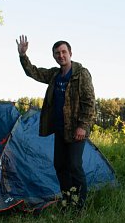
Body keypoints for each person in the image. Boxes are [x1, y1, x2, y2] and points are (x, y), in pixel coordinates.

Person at [16, 35, 96, 210]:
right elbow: (33, 72)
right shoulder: (54, 74)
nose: (61, 56)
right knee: (60, 166)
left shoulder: (81, 74)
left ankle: (80, 206)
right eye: (57, 53)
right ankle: (67, 201)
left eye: (63, 52)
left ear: (70, 53)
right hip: (60, 129)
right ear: (54, 56)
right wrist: (23, 56)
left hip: (76, 129)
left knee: (75, 166)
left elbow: (89, 101)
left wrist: (83, 126)